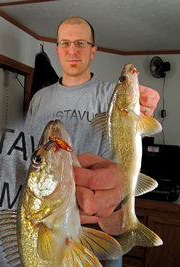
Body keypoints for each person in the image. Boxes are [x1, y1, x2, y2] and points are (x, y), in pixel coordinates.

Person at [25, 17, 160, 267]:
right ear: (56, 49)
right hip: (52, 220)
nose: (72, 50)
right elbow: (33, 156)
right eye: (65, 43)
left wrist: (143, 107)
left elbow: (131, 132)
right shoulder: (39, 99)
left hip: (102, 224)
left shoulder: (112, 96)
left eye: (81, 42)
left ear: (93, 51)